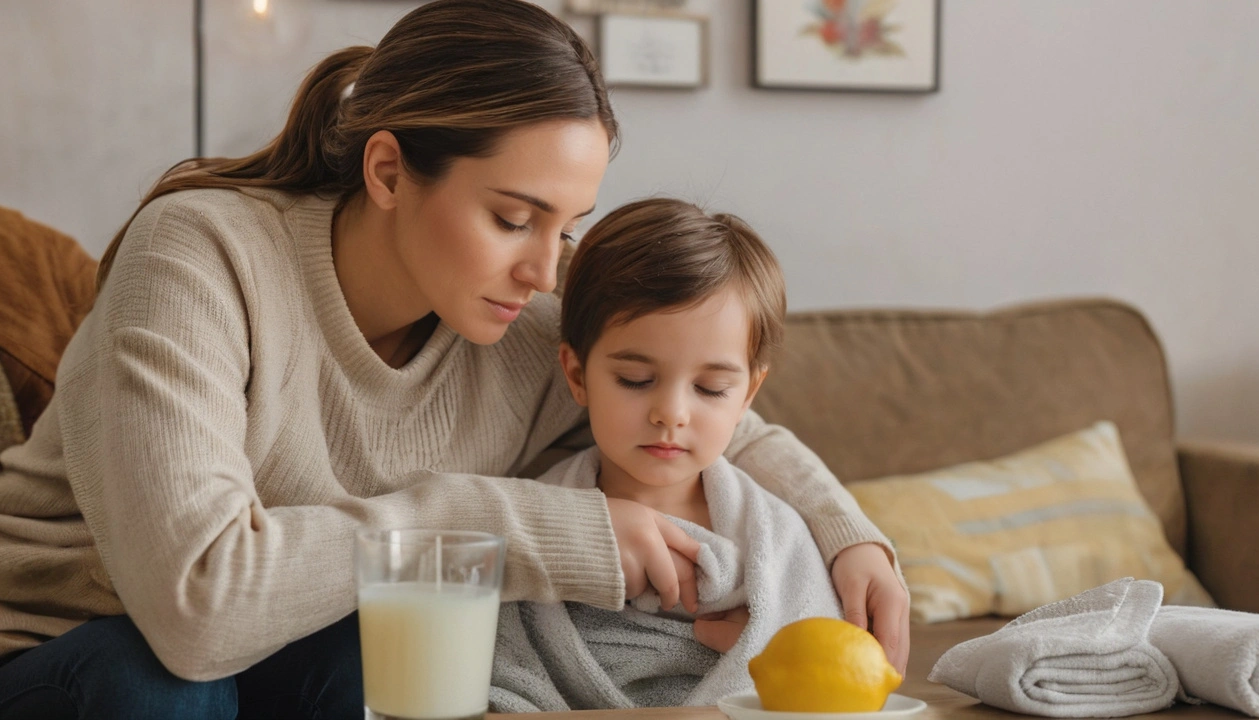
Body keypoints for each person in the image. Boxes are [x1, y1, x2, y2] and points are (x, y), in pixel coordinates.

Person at [0, 1, 907, 717]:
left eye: (569, 225)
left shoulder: (526, 319)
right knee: (160, 683)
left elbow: (714, 412)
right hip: (74, 647)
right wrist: (504, 526)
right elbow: (199, 613)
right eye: (513, 218)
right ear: (389, 172)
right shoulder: (199, 257)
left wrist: (845, 530)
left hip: (283, 650)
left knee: (395, 659)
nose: (546, 267)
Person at [489, 198, 894, 711]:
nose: (671, 413)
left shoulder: (777, 533)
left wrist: (767, 644)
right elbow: (504, 668)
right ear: (576, 374)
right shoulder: (538, 517)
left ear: (748, 394)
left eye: (711, 388)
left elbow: (816, 662)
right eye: (635, 380)